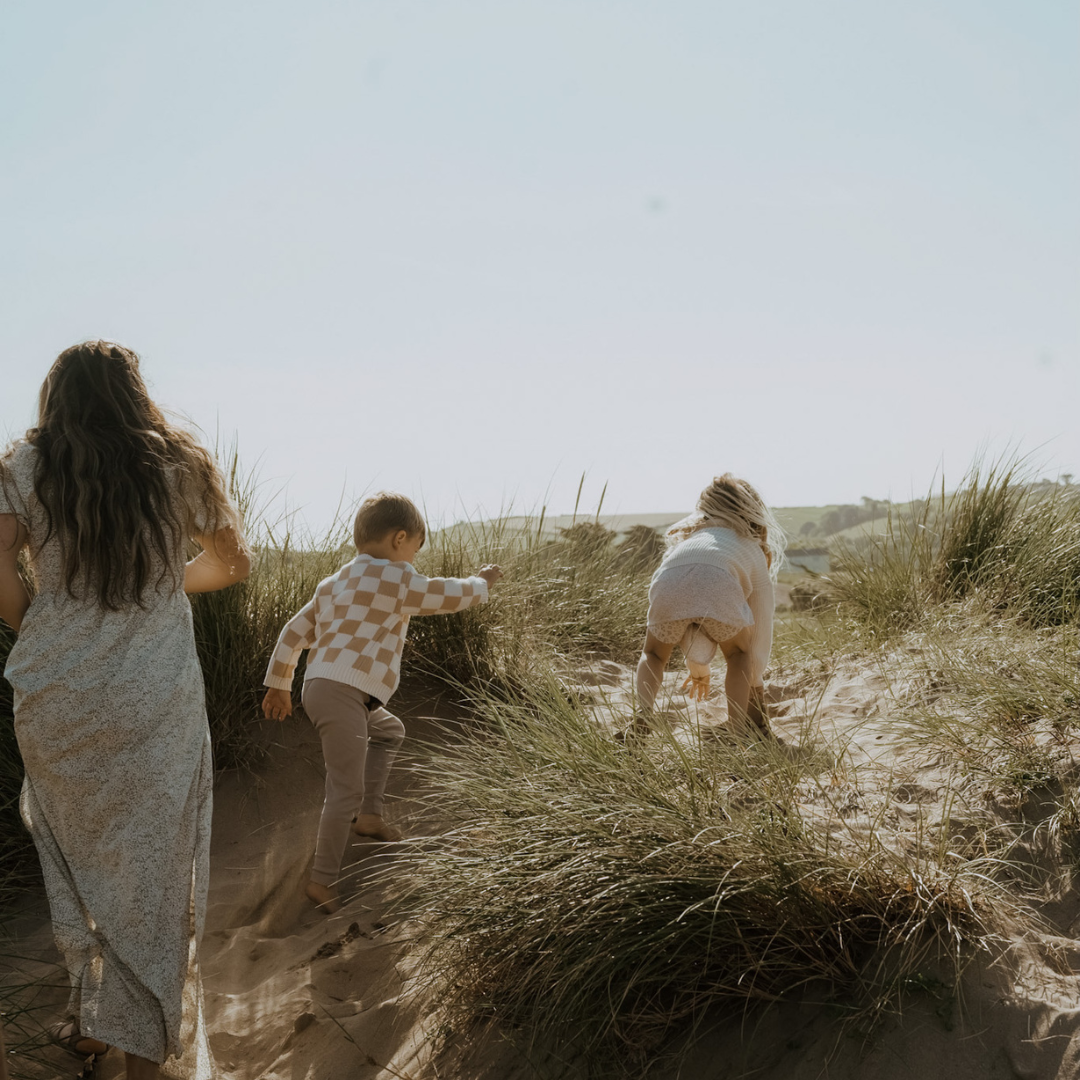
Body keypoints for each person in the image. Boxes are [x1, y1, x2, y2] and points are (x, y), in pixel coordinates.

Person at [0, 341, 250, 1080]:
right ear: (134, 391)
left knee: (77, 863)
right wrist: (162, 586)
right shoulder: (179, 463)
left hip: (56, 699)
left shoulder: (23, 464)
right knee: (158, 872)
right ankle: (145, 1048)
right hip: (155, 698)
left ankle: (96, 1018)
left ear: (56, 396)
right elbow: (234, 563)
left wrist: (40, 626)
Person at [262, 492, 502, 914]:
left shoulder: (332, 583)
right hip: (343, 693)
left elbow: (293, 632)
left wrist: (279, 683)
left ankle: (369, 818)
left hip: (325, 687)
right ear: (400, 539)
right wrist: (482, 583)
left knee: (390, 730)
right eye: (415, 549)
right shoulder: (395, 578)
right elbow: (444, 595)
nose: (414, 559)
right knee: (343, 790)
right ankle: (322, 881)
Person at [634, 474, 785, 737]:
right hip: (718, 581)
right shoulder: (749, 547)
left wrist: (698, 665)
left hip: (667, 579)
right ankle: (739, 729)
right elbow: (761, 627)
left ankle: (643, 714)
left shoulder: (686, 543)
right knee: (738, 656)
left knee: (654, 655)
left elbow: (689, 603)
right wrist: (756, 680)